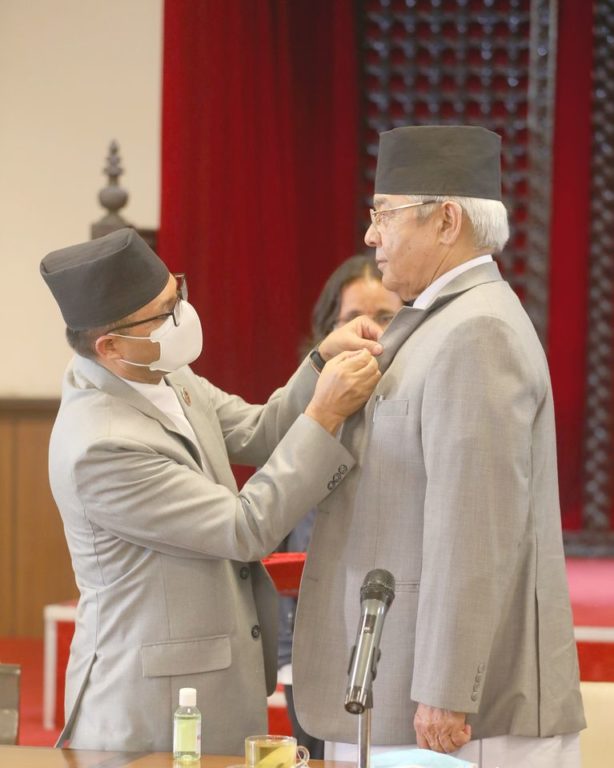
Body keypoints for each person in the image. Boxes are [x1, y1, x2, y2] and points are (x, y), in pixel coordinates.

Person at [291, 126, 586, 768]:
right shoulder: (441, 319)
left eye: (385, 215)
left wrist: (447, 690)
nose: (371, 236)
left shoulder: (477, 330)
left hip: (458, 718)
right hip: (404, 689)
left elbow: (474, 525)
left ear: (447, 220)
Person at [39, 227, 382, 754]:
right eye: (163, 313)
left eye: (177, 293)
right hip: (150, 705)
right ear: (110, 346)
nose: (182, 315)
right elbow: (244, 528)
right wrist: (325, 413)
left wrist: (319, 364)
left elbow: (260, 431)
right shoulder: (100, 445)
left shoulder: (158, 370)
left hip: (210, 678)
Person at [277, 254, 403, 758]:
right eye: (354, 317)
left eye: (386, 316)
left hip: (390, 628)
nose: (369, 330)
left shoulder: (415, 401)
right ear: (329, 328)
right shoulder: (307, 406)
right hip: (310, 633)